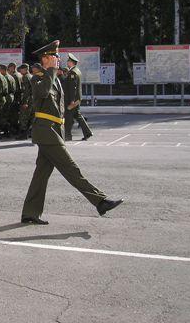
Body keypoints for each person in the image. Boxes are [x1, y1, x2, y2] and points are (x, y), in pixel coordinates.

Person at [20, 40, 123, 224]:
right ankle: (100, 201)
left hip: (53, 132)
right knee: (71, 168)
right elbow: (43, 93)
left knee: (41, 175)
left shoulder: (55, 78)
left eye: (57, 57)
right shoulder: (37, 78)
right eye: (54, 57)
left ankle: (30, 213)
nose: (58, 60)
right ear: (45, 59)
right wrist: (50, 71)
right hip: (46, 132)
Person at [64, 53, 93, 141]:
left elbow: (73, 87)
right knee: (77, 115)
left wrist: (72, 100)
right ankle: (87, 132)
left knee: (68, 117)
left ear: (71, 62)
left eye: (68, 61)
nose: (67, 62)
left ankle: (68, 135)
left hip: (72, 100)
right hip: (77, 99)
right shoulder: (77, 71)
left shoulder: (72, 72)